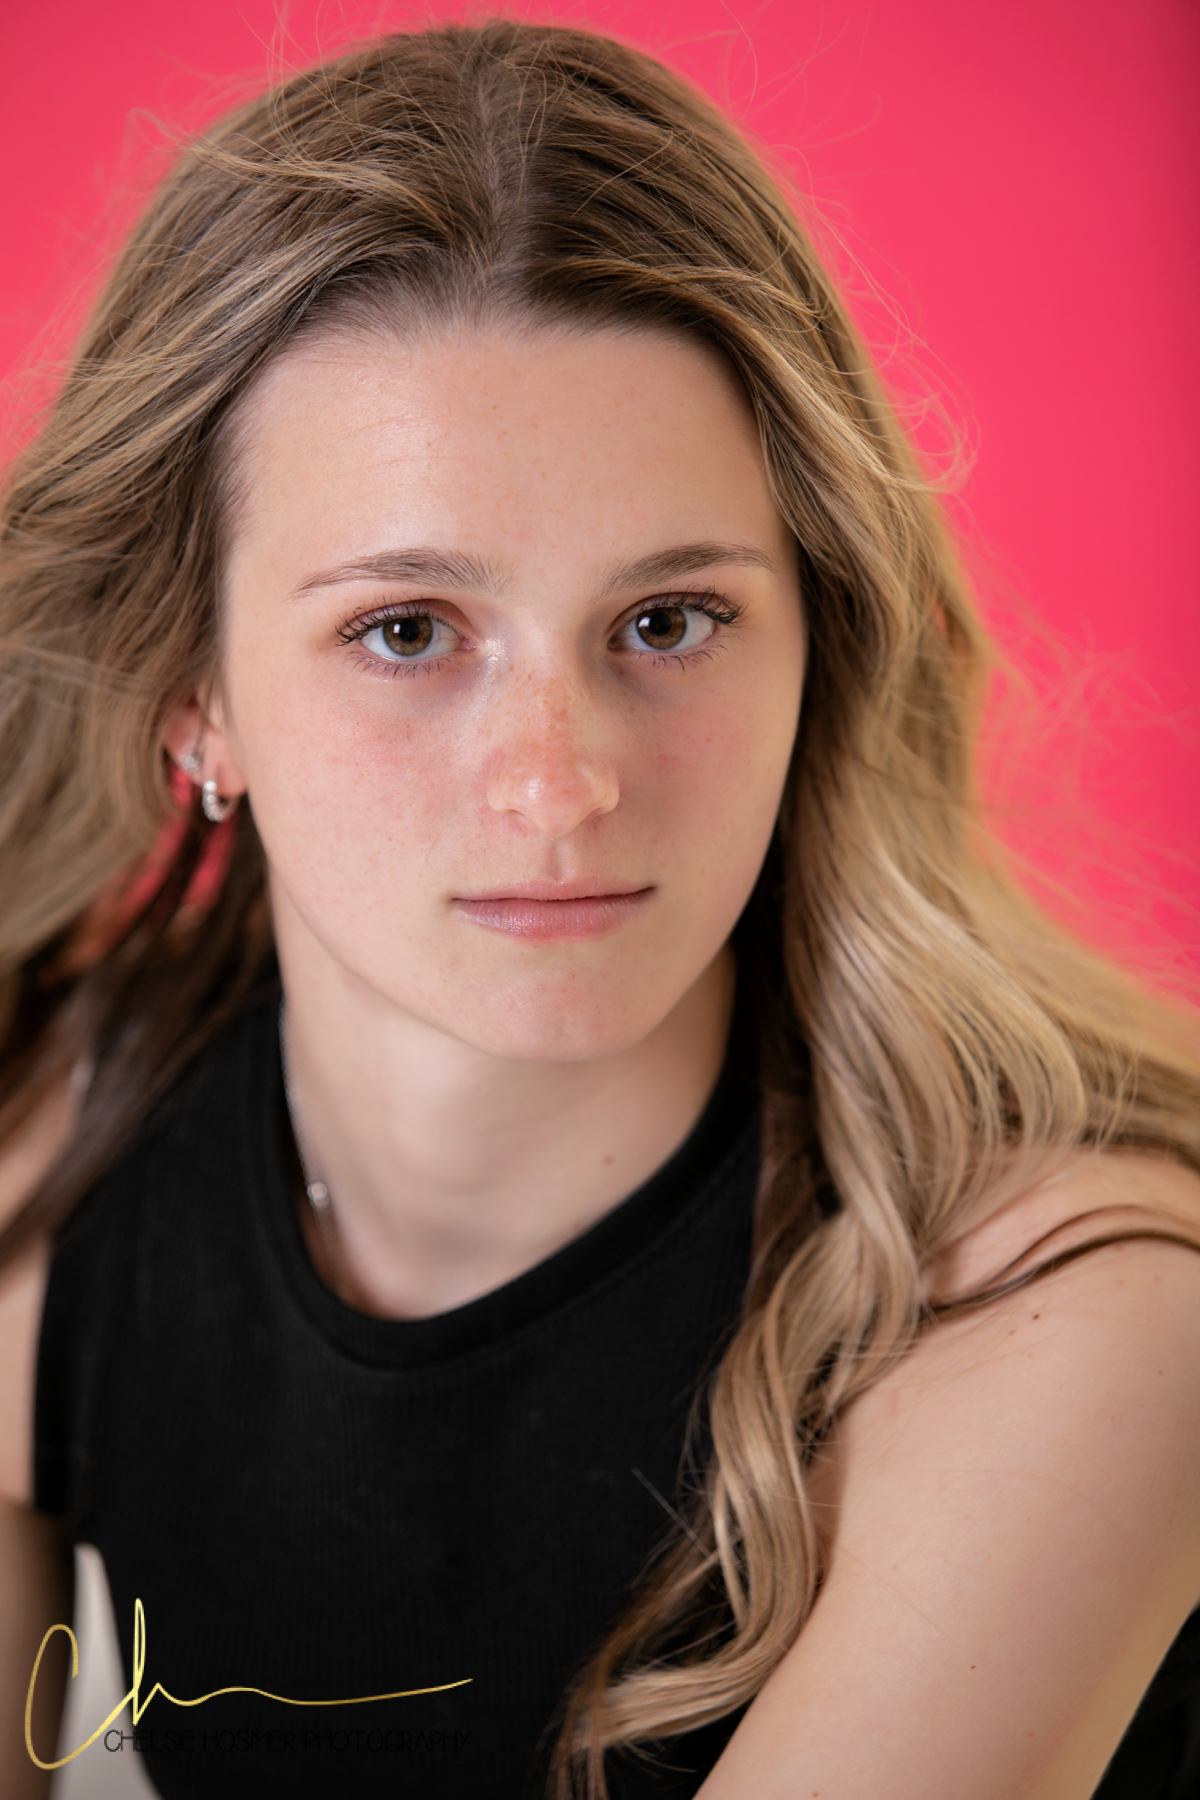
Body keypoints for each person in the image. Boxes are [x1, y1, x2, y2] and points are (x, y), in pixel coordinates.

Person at [1, 19, 1198, 1800]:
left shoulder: (1073, 1328)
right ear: (195, 697)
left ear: (815, 647)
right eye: (407, 630)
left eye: (668, 621)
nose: (559, 786)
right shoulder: (53, 1190)